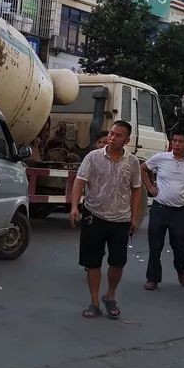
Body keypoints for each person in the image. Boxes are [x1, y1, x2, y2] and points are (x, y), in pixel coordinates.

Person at [70, 120, 143, 319]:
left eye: (118, 135)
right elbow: (79, 182)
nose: (112, 138)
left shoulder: (132, 162)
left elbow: (136, 190)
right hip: (94, 215)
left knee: (117, 262)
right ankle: (94, 302)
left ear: (126, 140)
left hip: (121, 219)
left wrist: (135, 217)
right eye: (111, 134)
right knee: (92, 262)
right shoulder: (93, 157)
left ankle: (110, 296)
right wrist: (75, 207)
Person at [142, 130, 184, 290]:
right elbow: (143, 168)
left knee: (178, 246)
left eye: (180, 141)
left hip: (180, 211)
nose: (176, 144)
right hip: (159, 208)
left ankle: (180, 269)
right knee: (155, 246)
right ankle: (153, 278)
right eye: (174, 141)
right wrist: (150, 187)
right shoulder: (161, 158)